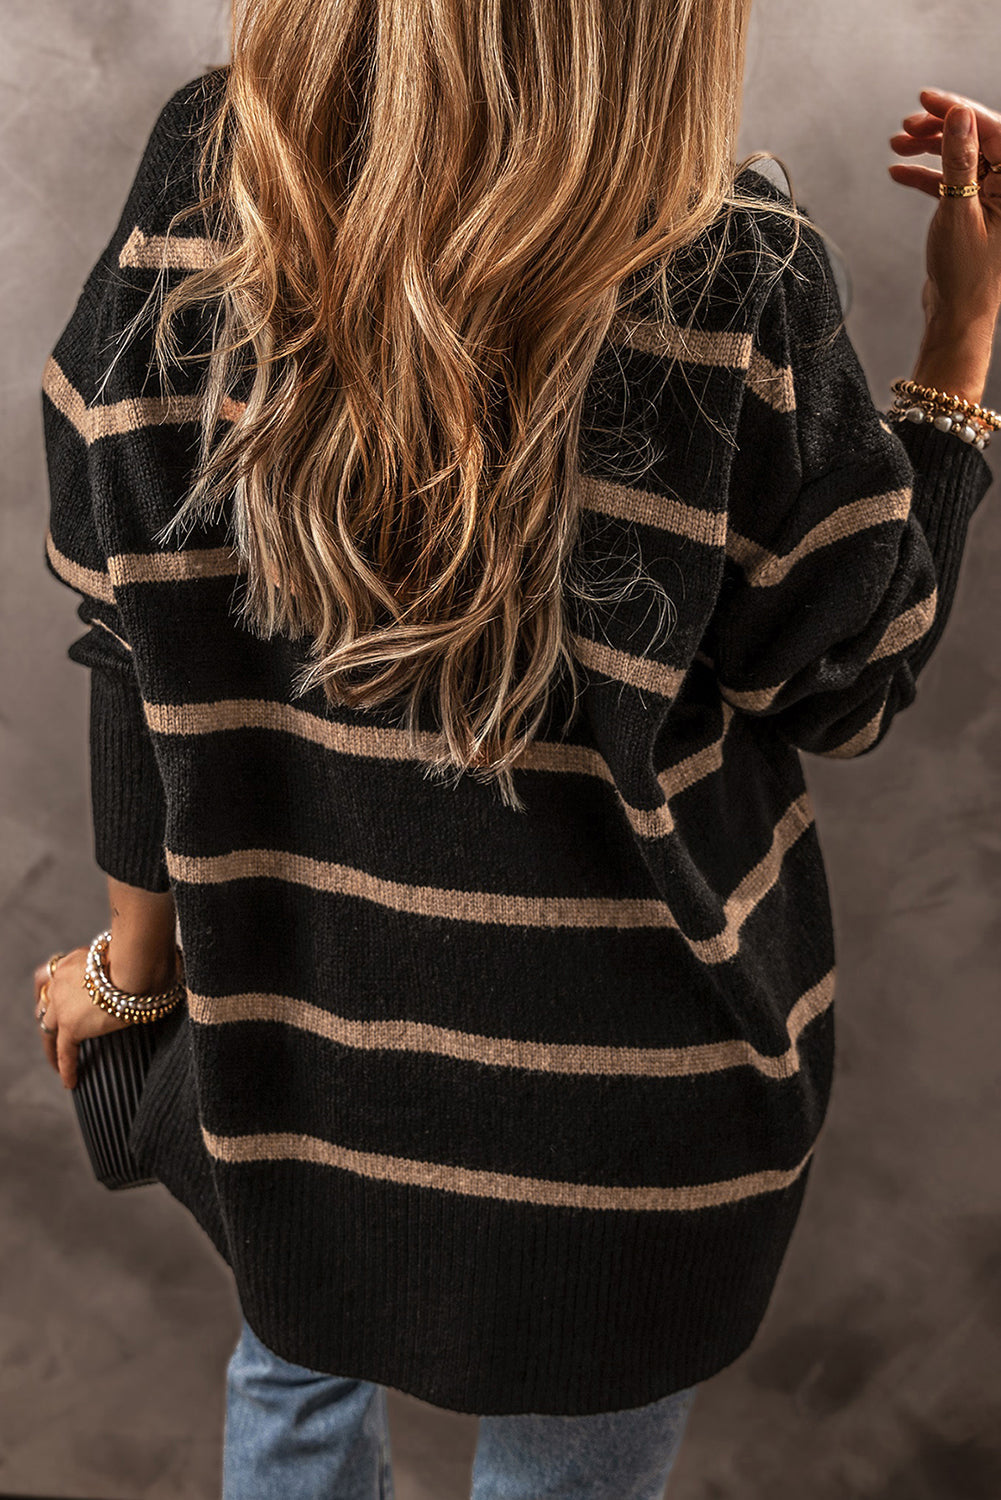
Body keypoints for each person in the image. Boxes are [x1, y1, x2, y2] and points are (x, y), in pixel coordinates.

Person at [33, 0, 999, 1491]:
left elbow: (128, 629)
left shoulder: (213, 177)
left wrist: (131, 969)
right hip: (637, 1123)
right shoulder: (732, 267)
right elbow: (853, 684)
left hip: (297, 1061)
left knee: (291, 1386)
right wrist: (959, 347)